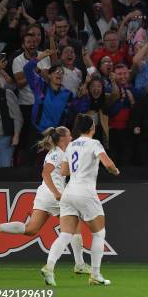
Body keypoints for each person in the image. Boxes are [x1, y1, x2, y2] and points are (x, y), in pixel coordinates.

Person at [0, 126, 92, 275]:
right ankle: (79, 264)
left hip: (44, 195)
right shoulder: (57, 154)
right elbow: (45, 173)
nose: (71, 138)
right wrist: (57, 193)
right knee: (75, 224)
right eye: (70, 136)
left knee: (31, 229)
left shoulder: (59, 153)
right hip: (54, 196)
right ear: (62, 138)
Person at [41, 114, 120, 286]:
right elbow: (108, 164)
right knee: (99, 233)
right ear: (93, 128)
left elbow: (63, 171)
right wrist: (115, 171)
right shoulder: (94, 143)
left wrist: (79, 168)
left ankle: (49, 266)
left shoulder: (70, 146)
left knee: (65, 234)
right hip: (85, 192)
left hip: (68, 193)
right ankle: (96, 275)